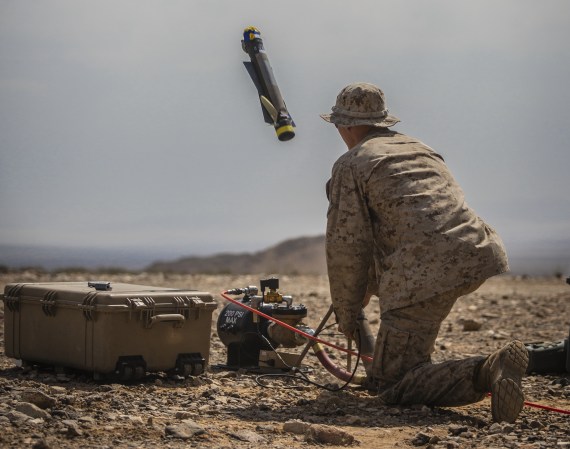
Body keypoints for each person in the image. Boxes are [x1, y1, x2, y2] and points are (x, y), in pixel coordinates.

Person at [320, 82, 529, 423]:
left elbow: (348, 246)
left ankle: (488, 370)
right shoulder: (420, 149)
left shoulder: (352, 164)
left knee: (391, 385)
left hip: (424, 271)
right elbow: (402, 222)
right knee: (400, 358)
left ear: (346, 125)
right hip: (477, 250)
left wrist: (346, 312)